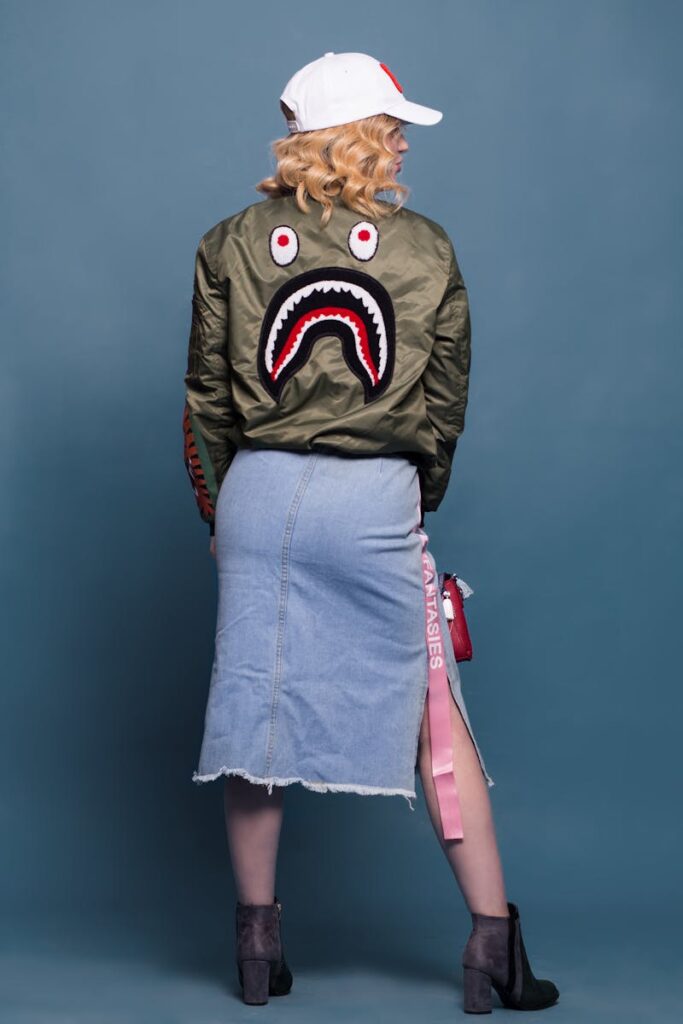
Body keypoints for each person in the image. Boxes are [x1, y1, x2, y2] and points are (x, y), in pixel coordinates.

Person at [182, 51, 559, 1013]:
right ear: (354, 134)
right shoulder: (425, 248)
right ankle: (493, 950)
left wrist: (223, 511)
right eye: (389, 124)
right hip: (371, 498)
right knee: (434, 716)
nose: (398, 140)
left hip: (257, 494)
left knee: (254, 716)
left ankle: (257, 954)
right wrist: (411, 492)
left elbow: (205, 404)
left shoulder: (226, 242)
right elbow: (443, 401)